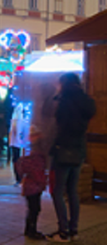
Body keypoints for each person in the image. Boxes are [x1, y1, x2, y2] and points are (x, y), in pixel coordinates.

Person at [47, 73, 96, 242]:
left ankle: (63, 231)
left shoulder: (65, 102)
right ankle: (73, 229)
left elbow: (60, 124)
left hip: (63, 150)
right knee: (72, 191)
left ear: (64, 84)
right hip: (79, 150)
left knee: (57, 191)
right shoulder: (86, 102)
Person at [15, 127, 47, 240]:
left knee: (32, 209)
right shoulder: (38, 159)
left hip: (28, 187)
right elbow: (38, 174)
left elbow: (21, 168)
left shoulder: (28, 158)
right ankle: (31, 231)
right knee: (35, 209)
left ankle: (29, 229)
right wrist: (43, 183)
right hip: (34, 187)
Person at [9, 103, 29, 185]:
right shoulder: (23, 120)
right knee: (18, 160)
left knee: (16, 159)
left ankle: (19, 178)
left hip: (16, 143)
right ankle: (20, 177)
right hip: (20, 143)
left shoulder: (15, 119)